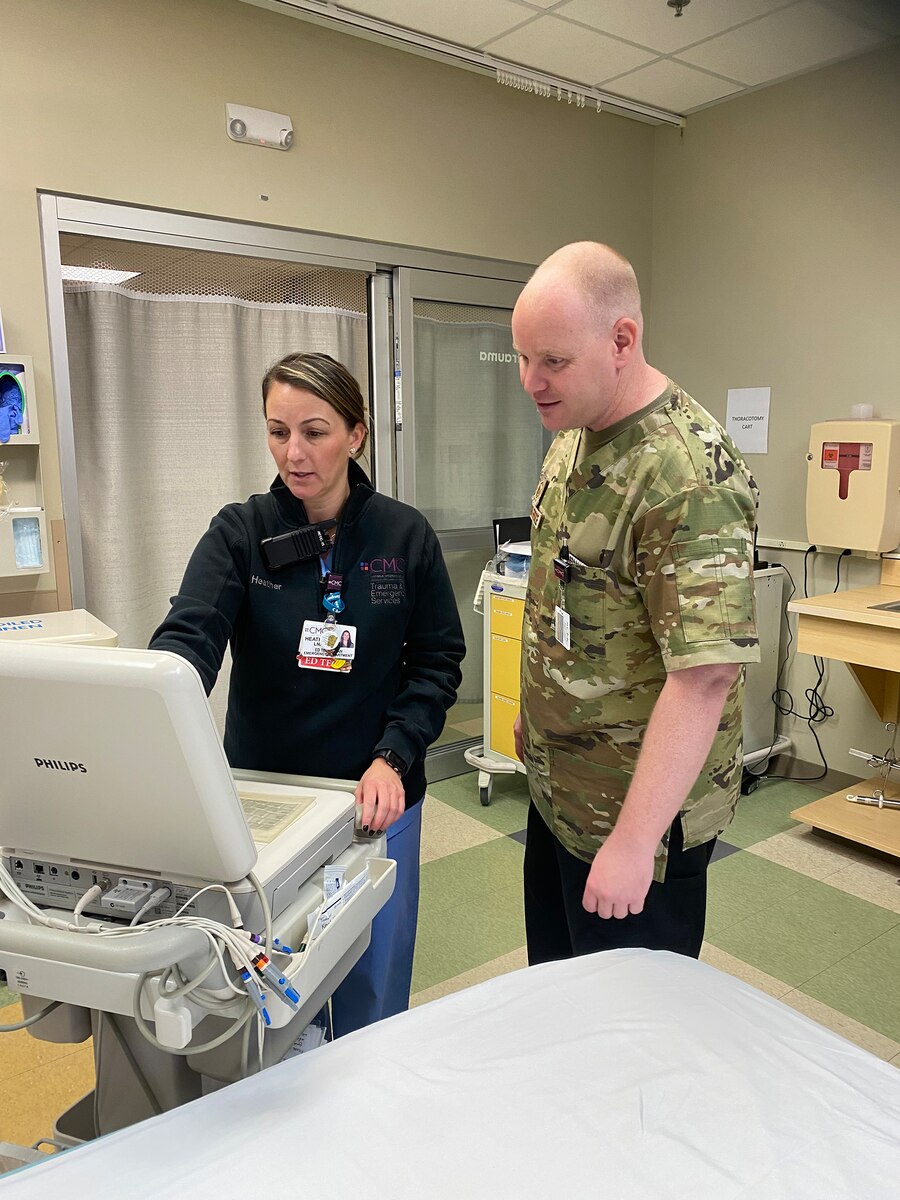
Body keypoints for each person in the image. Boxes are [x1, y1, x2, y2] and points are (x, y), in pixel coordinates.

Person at [150, 351, 465, 1033]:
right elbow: (191, 634)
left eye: (315, 432)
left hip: (373, 793)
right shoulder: (240, 533)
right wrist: (158, 703)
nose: (294, 453)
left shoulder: (403, 536)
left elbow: (437, 662)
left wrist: (396, 756)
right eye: (277, 431)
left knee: (370, 989)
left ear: (356, 435)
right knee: (264, 993)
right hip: (267, 799)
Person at [510, 242, 759, 964]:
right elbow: (567, 587)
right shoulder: (574, 434)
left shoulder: (686, 476)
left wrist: (634, 841)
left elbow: (705, 675)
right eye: (523, 358)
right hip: (564, 793)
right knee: (560, 993)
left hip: (634, 824)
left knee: (631, 1041)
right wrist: (540, 707)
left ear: (622, 340)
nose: (532, 381)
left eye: (552, 360)